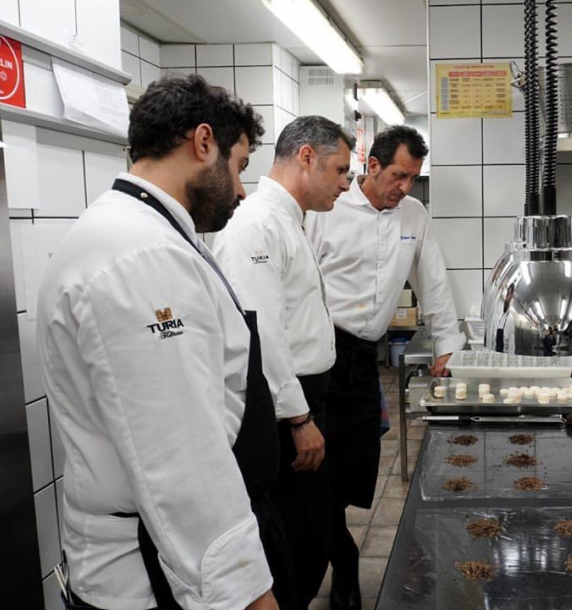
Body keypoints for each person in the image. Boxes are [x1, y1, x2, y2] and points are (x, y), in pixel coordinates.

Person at [37, 74, 291, 610]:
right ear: (203, 143)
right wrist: (248, 595)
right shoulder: (140, 255)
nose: (242, 190)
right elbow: (180, 458)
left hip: (164, 552)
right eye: (240, 166)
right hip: (149, 572)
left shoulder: (145, 234)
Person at [304, 125, 465, 609]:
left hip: (361, 361)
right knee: (316, 472)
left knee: (354, 469)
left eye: (413, 178)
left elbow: (433, 281)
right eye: (398, 175)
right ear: (370, 166)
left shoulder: (413, 215)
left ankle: (341, 553)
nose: (405, 187)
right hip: (316, 356)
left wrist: (447, 345)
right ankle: (343, 564)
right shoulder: (326, 212)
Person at [213, 115, 354, 609]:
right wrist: (299, 418)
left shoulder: (289, 219)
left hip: (307, 398)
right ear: (306, 157)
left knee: (314, 532)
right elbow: (262, 333)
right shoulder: (256, 224)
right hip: (282, 412)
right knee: (296, 540)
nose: (345, 184)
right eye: (340, 171)